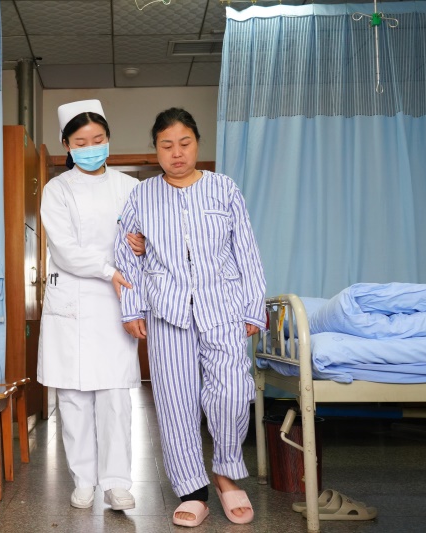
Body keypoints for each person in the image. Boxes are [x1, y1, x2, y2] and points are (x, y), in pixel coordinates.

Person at [114, 108, 266, 527]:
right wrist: (132, 307)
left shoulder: (223, 188)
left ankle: (225, 472)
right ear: (156, 150)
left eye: (185, 143)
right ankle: (193, 491)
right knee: (175, 402)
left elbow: (246, 250)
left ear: (197, 143)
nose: (177, 153)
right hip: (168, 311)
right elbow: (126, 252)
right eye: (167, 145)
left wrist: (253, 307)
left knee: (233, 392)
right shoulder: (142, 195)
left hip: (224, 307)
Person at [37, 99, 143, 512]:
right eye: (81, 142)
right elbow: (64, 250)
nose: (91, 147)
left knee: (115, 396)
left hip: (115, 302)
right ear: (66, 145)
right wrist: (107, 269)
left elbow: (146, 239)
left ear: (109, 139)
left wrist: (143, 245)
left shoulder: (130, 188)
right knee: (73, 397)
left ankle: (116, 484)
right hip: (73, 299)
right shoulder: (57, 190)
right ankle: (83, 480)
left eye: (98, 139)